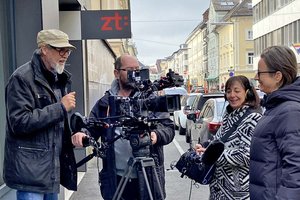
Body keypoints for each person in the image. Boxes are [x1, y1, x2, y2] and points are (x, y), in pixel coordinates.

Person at [72, 54, 175, 200]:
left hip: (148, 177)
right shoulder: (105, 102)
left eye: (137, 69)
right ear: (116, 73)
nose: (135, 74)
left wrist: (155, 136)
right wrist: (82, 134)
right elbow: (91, 127)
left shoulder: (150, 99)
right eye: (130, 70)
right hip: (116, 177)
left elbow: (169, 129)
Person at [4, 29, 78, 200]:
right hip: (30, 175)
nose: (65, 54)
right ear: (44, 49)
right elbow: (19, 122)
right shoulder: (21, 78)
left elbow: (56, 124)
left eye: (67, 50)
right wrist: (60, 108)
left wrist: (74, 134)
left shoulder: (58, 78)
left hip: (51, 171)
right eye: (61, 49)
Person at [195, 75, 262, 199]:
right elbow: (221, 142)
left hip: (237, 192)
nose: (232, 95)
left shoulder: (253, 118)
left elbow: (246, 156)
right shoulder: (229, 115)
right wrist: (205, 148)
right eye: (228, 91)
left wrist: (213, 157)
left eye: (237, 91)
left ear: (247, 92)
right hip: (219, 189)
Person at [250, 45, 300, 199]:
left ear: (278, 76)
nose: (257, 77)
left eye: (260, 73)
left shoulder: (289, 111)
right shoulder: (276, 107)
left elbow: (295, 169)